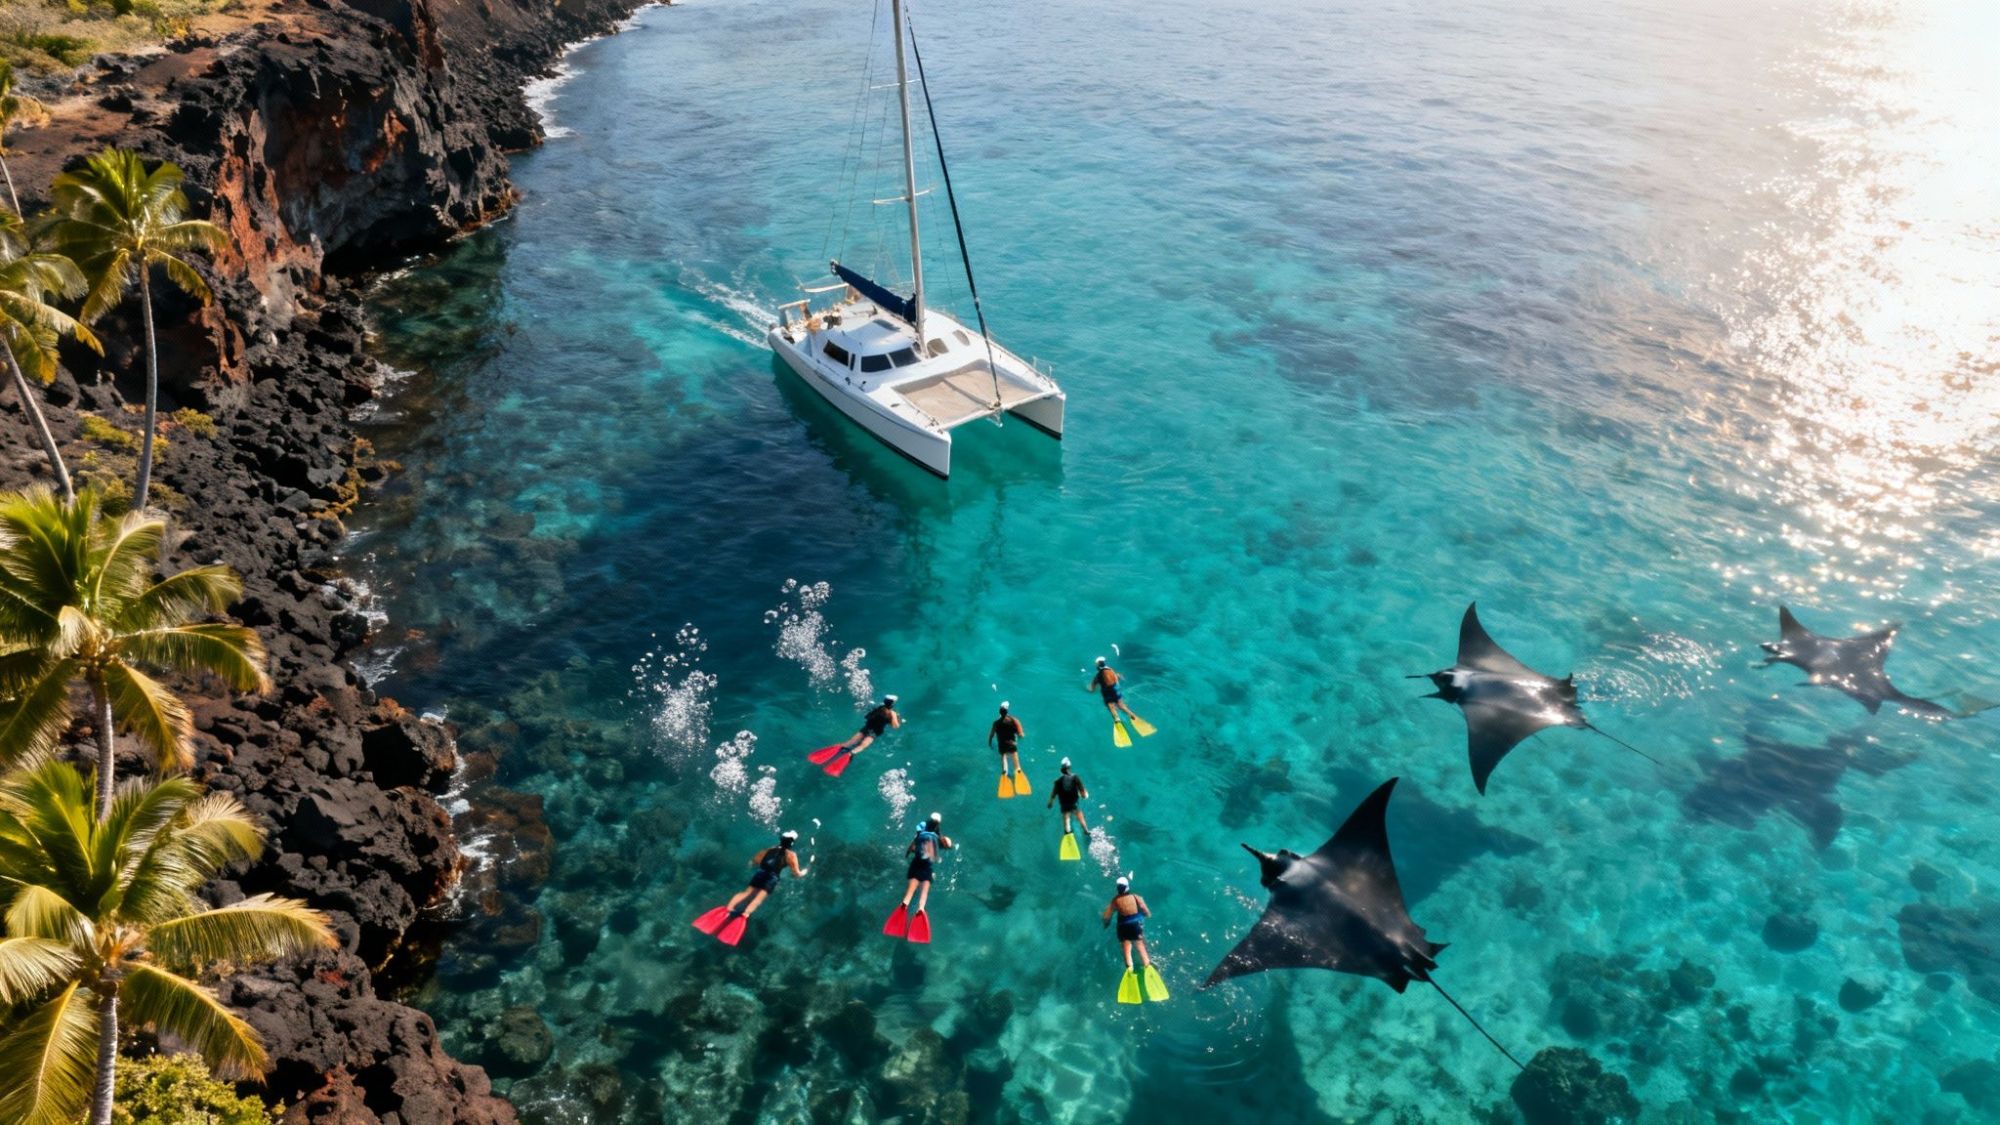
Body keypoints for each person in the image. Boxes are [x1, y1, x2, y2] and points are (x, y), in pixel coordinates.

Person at [692, 830, 806, 946]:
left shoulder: (769, 850)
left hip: (760, 873)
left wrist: (750, 865)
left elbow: (753, 861)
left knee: (747, 893)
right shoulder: (791, 855)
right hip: (772, 878)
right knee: (758, 899)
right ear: (792, 843)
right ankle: (745, 915)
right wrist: (804, 872)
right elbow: (796, 873)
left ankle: (728, 909)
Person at [885, 812, 953, 942]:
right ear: (937, 825)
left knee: (910, 890)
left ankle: (904, 904)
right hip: (926, 867)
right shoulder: (937, 837)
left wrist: (907, 853)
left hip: (915, 864)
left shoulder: (920, 834)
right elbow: (947, 845)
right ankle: (921, 908)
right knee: (924, 890)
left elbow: (911, 847)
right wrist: (946, 843)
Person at [1102, 875, 1152, 971]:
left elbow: (1107, 915)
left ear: (1118, 889)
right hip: (1135, 924)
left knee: (1126, 945)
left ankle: (1129, 967)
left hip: (1123, 926)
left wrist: (1106, 923)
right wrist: (1146, 914)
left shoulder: (1115, 900)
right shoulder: (1136, 897)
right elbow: (1145, 910)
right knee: (1140, 944)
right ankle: (1147, 964)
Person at [1086, 658, 1139, 724]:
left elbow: (1092, 688)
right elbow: (1119, 676)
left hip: (1107, 690)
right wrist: (1121, 678)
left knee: (1110, 705)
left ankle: (1117, 718)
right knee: (1121, 705)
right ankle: (1132, 715)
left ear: (1098, 667)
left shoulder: (1098, 675)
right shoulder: (1111, 670)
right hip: (1116, 688)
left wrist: (1089, 689)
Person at [1047, 757, 1090, 836]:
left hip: (1064, 804)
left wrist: (1050, 802)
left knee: (1066, 816)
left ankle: (1067, 832)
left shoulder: (1058, 781)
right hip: (1073, 803)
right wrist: (1084, 795)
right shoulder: (1075, 777)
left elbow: (1053, 793)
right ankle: (1085, 830)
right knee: (1079, 815)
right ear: (1069, 767)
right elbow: (1082, 791)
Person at [990, 701, 1025, 784]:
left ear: (999, 711)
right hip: (1012, 744)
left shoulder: (996, 723)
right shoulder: (1014, 720)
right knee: (1015, 761)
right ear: (1007, 711)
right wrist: (1021, 736)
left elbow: (991, 735)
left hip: (1002, 745)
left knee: (1004, 757)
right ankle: (1018, 771)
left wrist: (990, 742)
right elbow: (1021, 735)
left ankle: (1005, 772)